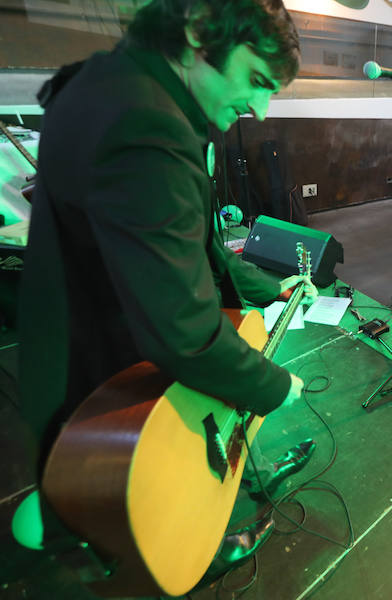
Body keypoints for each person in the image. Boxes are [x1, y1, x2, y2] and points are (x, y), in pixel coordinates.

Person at [17, 0, 316, 562]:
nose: (260, 108)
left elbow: (184, 246)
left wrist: (268, 288)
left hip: (69, 347)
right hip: (110, 387)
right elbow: (185, 334)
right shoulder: (150, 127)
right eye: (255, 80)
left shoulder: (104, 80)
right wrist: (275, 386)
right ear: (199, 36)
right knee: (146, 538)